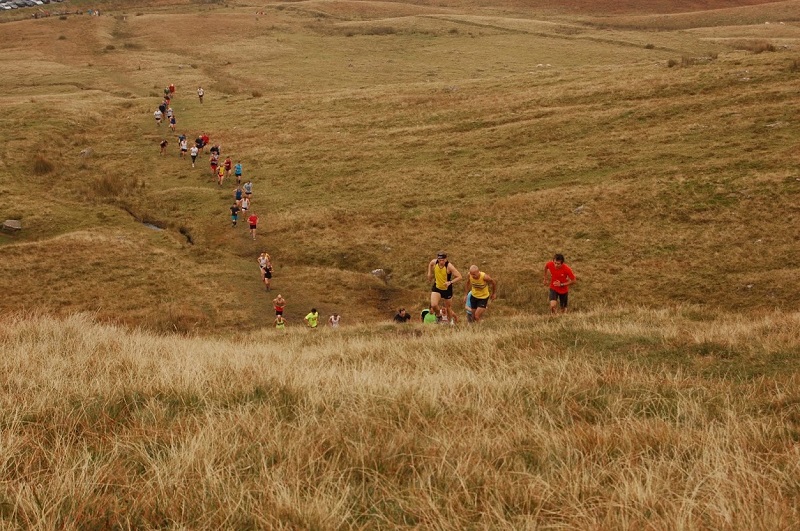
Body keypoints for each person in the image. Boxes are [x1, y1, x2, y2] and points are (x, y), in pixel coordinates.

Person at [427, 251, 462, 325]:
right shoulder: (435, 262)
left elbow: (459, 276)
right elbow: (430, 263)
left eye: (443, 260)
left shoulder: (449, 266)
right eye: (440, 260)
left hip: (447, 289)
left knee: (448, 307)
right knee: (433, 305)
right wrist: (429, 273)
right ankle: (439, 316)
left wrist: (450, 282)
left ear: (446, 259)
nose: (441, 262)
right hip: (437, 287)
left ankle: (450, 322)